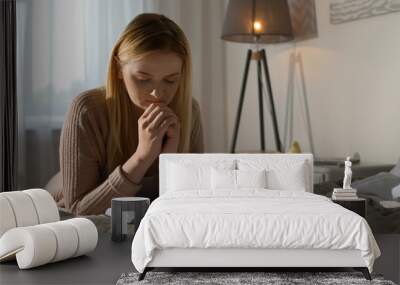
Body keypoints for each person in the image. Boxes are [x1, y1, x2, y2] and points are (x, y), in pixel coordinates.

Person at [51, 13, 204, 215]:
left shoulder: (188, 111)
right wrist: (142, 157)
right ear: (118, 70)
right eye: (143, 79)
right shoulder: (87, 110)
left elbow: (192, 206)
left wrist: (169, 162)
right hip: (63, 221)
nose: (157, 93)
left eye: (170, 80)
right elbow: (79, 212)